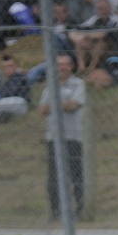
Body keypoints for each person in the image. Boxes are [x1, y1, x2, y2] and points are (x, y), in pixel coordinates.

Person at [40, 53, 88, 219]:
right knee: (53, 177)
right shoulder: (50, 86)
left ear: (71, 67)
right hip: (53, 138)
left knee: (76, 175)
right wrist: (62, 104)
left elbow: (74, 105)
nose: (62, 68)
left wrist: (53, 105)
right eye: (59, 64)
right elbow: (42, 110)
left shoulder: (78, 84)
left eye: (66, 64)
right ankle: (55, 211)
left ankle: (81, 210)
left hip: (72, 136)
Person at [70, 0, 118, 75]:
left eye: (103, 8)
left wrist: (86, 35)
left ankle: (92, 68)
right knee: (80, 42)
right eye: (99, 8)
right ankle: (81, 68)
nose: (101, 11)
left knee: (100, 44)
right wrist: (77, 37)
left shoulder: (116, 20)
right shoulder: (95, 19)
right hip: (94, 45)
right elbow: (78, 29)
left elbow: (103, 34)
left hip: (112, 46)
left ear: (110, 8)